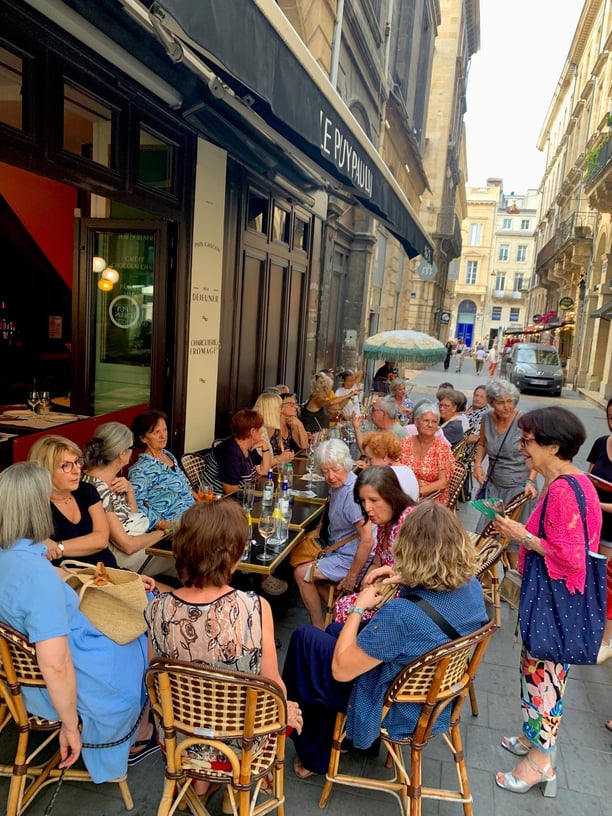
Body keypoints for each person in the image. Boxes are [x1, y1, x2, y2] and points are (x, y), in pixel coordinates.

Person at [282, 502, 488, 778]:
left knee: (305, 640)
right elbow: (437, 593)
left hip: (393, 703)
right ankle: (336, 741)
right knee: (332, 634)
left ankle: (313, 755)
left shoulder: (401, 615)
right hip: (433, 690)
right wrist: (403, 577)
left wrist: (358, 607)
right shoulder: (472, 586)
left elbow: (341, 670)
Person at [0, 462, 155, 782]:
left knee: (144, 603)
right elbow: (56, 664)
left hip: (12, 673)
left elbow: (62, 575)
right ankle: (137, 727)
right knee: (145, 625)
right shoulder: (37, 577)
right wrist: (70, 727)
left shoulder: (16, 555)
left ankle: (142, 714)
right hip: (59, 676)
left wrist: (118, 582)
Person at [145, 499, 303, 802]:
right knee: (281, 707)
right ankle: (236, 795)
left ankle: (200, 785)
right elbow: (272, 684)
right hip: (239, 742)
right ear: (232, 556)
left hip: (179, 736)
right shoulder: (254, 608)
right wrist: (287, 709)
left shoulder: (157, 609)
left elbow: (157, 672)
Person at [492, 407, 602, 797]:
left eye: (528, 441)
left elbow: (569, 556)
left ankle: (541, 762)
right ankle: (531, 736)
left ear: (553, 447)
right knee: (537, 671)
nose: (522, 448)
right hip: (558, 598)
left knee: (545, 679)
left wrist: (520, 534)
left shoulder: (564, 491)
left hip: (557, 602)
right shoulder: (571, 481)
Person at [293, 440, 373, 629]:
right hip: (340, 551)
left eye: (335, 469)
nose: (330, 476)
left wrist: (352, 576)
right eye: (325, 471)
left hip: (352, 557)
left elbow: (368, 540)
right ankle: (337, 609)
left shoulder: (352, 495)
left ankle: (318, 625)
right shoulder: (345, 483)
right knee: (302, 562)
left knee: (301, 573)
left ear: (345, 464)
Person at [82, 422, 167, 574]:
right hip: (116, 559)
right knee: (189, 556)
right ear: (122, 454)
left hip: (132, 546)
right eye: (131, 448)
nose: (132, 452)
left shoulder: (114, 482)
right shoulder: (98, 488)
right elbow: (127, 545)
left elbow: (133, 519)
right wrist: (164, 533)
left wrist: (130, 492)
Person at [334, 467, 415, 623]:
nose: (367, 508)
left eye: (374, 500)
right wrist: (367, 583)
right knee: (344, 606)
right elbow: (377, 561)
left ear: (391, 496)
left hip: (402, 603)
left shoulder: (409, 523)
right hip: (384, 592)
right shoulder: (384, 523)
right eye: (363, 501)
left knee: (346, 610)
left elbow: (422, 575)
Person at [473, 381, 538, 567]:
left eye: (510, 401)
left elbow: (536, 454)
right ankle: (484, 587)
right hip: (494, 487)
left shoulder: (524, 421)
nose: (507, 406)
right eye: (501, 402)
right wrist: (478, 466)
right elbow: (482, 444)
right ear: (492, 402)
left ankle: (514, 585)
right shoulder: (486, 418)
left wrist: (531, 481)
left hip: (519, 489)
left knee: (514, 545)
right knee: (484, 537)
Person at [27, 435, 116, 567]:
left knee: (153, 586)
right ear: (45, 471)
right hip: (71, 579)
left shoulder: (86, 490)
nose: (77, 470)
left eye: (77, 462)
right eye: (65, 466)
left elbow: (101, 539)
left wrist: (58, 547)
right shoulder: (34, 504)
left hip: (109, 571)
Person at [129, 410, 195, 531]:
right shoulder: (140, 470)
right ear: (143, 438)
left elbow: (183, 484)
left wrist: (202, 502)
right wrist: (167, 527)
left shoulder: (168, 455)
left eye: (164, 430)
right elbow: (138, 507)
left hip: (195, 517)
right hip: (175, 527)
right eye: (156, 432)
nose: (163, 436)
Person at [586, 397, 612, 665]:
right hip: (593, 524)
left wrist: (597, 503)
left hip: (611, 531)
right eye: (611, 416)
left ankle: (606, 639)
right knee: (594, 579)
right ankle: (594, 630)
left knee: (608, 583)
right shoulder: (600, 443)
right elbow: (589, 476)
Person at [206, 408, 273, 494]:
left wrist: (265, 445)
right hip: (217, 500)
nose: (262, 431)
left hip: (241, 495)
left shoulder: (248, 446)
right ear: (252, 432)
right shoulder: (231, 452)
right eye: (260, 428)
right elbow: (230, 492)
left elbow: (264, 471)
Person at [399, 402, 456, 502]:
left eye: (434, 422)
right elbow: (394, 468)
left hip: (431, 499)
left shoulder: (442, 448)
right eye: (426, 420)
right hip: (403, 494)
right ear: (416, 422)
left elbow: (444, 482)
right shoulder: (404, 443)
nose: (430, 425)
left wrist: (419, 492)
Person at [356, 430, 419, 500]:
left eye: (370, 459)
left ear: (385, 456)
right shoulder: (406, 469)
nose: (367, 463)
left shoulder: (387, 476)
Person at [253, 392, 294, 466]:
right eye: (280, 408)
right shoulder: (257, 430)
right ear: (270, 411)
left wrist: (284, 456)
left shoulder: (265, 428)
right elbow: (261, 465)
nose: (281, 411)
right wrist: (280, 458)